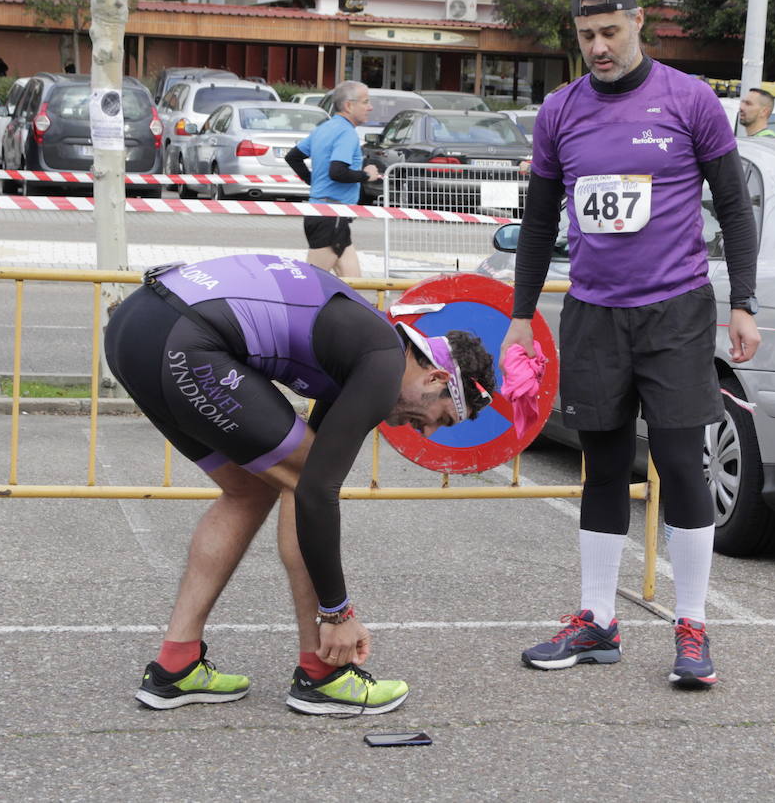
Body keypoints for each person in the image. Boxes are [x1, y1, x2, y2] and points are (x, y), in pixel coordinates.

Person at [500, 0, 761, 688]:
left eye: (610, 32)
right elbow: (540, 222)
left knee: (681, 467)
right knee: (603, 467)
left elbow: (736, 210)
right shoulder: (560, 112)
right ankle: (596, 621)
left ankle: (693, 626)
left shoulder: (690, 100)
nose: (599, 48)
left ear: (639, 22)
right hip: (594, 313)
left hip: (675, 313)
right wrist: (521, 317)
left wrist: (744, 302)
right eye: (587, 36)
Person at [104, 253, 496, 714]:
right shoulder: (383, 363)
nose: (424, 432)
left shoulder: (370, 346)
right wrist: (338, 614)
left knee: (251, 487)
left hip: (136, 326)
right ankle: (323, 672)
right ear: (435, 376)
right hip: (184, 334)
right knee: (302, 478)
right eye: (441, 419)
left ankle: (177, 663)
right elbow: (315, 490)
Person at [284, 81, 381, 278]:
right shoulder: (346, 132)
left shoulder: (323, 128)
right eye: (366, 102)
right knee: (311, 284)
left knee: (354, 286)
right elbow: (337, 172)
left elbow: (293, 157)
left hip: (331, 214)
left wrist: (314, 182)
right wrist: (366, 175)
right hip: (331, 215)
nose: (370, 107)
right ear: (349, 105)